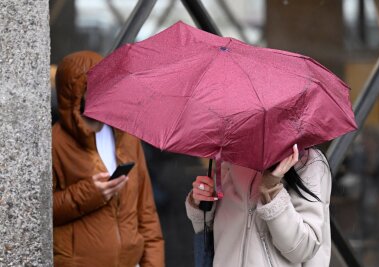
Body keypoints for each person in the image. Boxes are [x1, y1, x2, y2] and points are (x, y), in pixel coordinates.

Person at [52, 51, 164, 267]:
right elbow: (38, 212)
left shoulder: (126, 136)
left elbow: (146, 211)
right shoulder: (54, 143)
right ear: (73, 91)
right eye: (94, 83)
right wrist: (89, 193)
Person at [186, 145, 332, 266]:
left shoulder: (309, 162)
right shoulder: (231, 156)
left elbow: (302, 250)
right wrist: (202, 200)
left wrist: (272, 192)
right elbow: (206, 229)